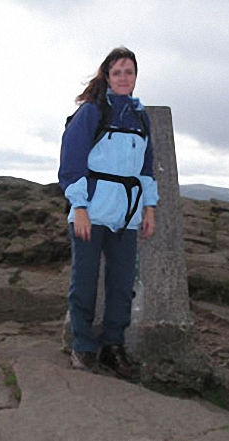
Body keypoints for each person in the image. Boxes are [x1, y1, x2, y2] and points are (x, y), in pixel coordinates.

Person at [58, 47, 158, 378]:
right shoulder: (91, 113)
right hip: (92, 210)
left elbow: (146, 169)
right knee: (84, 282)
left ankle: (113, 347)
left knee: (121, 284)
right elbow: (71, 165)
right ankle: (83, 346)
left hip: (126, 215)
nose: (124, 77)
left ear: (136, 76)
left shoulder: (140, 117)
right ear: (107, 76)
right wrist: (80, 208)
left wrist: (149, 208)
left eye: (129, 72)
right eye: (117, 72)